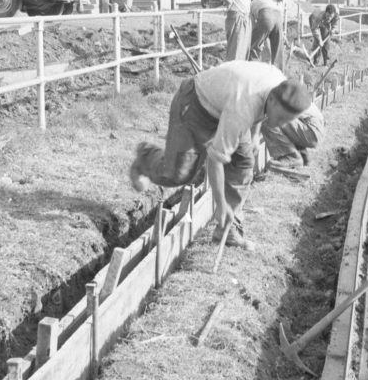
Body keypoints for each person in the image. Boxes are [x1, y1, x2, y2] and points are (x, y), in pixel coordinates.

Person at [128, 61, 313, 251]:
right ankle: (145, 157)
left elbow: (263, 104)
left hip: (225, 104)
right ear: (273, 101)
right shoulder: (243, 107)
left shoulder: (278, 85)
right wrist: (221, 204)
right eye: (281, 118)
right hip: (195, 104)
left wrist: (256, 134)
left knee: (243, 163)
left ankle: (228, 229)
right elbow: (215, 160)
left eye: (286, 121)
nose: (281, 124)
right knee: (179, 174)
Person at [262, 99, 325, 172]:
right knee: (286, 124)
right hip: (315, 128)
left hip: (311, 130)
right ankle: (303, 157)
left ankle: (290, 157)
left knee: (268, 123)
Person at [249, 0, 288, 71]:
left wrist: (257, 37)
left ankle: (252, 71)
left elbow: (252, 24)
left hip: (267, 18)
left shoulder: (252, 4)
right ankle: (278, 75)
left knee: (253, 46)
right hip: (275, 18)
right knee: (277, 50)